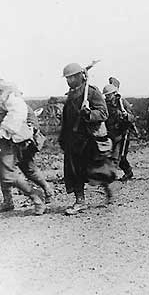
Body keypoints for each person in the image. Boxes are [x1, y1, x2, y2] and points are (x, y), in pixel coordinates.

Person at [59, 63, 116, 215]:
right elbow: (67, 119)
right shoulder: (70, 95)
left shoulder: (91, 92)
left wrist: (89, 114)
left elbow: (103, 113)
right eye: (67, 78)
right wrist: (63, 137)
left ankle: (107, 189)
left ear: (80, 76)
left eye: (72, 77)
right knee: (74, 171)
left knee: (96, 170)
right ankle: (80, 201)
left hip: (89, 139)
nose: (69, 81)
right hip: (73, 140)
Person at [0, 79, 46, 215]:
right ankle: (8, 202)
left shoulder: (5, 89)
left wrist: (3, 131)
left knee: (8, 174)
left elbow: (18, 111)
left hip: (6, 138)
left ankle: (36, 197)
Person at [103, 84, 135, 181]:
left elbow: (132, 118)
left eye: (109, 95)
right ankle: (128, 172)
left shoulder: (122, 103)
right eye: (106, 95)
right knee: (109, 155)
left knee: (117, 156)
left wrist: (125, 115)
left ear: (114, 94)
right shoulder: (105, 104)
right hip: (110, 133)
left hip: (122, 133)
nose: (107, 97)